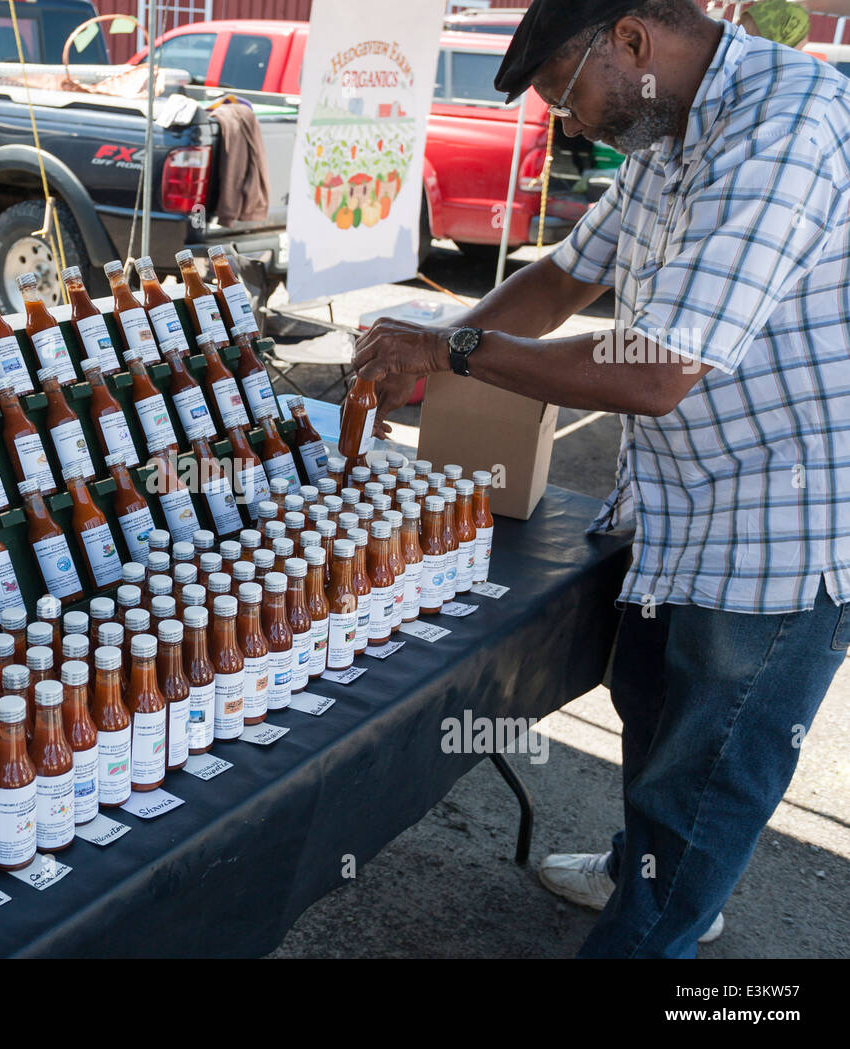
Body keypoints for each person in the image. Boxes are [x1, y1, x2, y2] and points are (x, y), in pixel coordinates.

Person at [352, 0, 850, 958]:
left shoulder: (785, 129)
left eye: (566, 97)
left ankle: (660, 915)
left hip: (777, 535)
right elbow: (565, 279)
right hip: (680, 511)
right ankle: (650, 872)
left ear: (631, 38)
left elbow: (656, 369)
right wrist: (429, 355)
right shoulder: (672, 128)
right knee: (653, 714)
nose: (571, 125)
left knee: (706, 778)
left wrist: (457, 348)